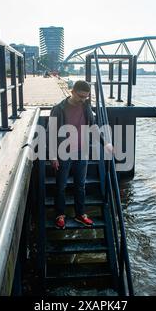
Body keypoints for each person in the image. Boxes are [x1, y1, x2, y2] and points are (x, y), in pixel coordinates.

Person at [48, 80, 113, 229]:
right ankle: (60, 215)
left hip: (81, 152)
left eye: (86, 97)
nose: (83, 100)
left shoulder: (86, 107)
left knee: (80, 186)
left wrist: (106, 144)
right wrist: (52, 156)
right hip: (63, 153)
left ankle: (80, 214)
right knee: (61, 186)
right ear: (72, 92)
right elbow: (50, 133)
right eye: (81, 96)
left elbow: (93, 127)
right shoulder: (58, 109)